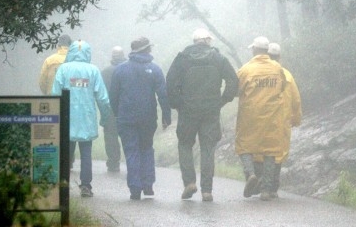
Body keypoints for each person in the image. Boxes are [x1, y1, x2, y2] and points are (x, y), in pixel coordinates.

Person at [166, 28, 238, 202]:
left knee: (184, 144)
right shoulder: (218, 58)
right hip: (211, 110)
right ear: (208, 41)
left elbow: (169, 81)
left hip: (188, 110)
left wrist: (177, 104)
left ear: (194, 42)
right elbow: (233, 80)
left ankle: (189, 183)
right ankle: (207, 190)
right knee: (208, 148)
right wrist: (223, 100)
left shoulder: (182, 58)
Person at [235, 36, 300, 201]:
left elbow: (236, 89)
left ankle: (250, 174)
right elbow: (284, 88)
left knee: (244, 146)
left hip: (250, 116)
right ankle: (266, 190)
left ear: (254, 50)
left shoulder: (246, 69)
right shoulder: (278, 69)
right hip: (273, 116)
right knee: (271, 151)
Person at [109, 36, 171, 200]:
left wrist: (117, 114)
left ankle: (135, 188)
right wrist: (166, 115)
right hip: (148, 118)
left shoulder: (120, 70)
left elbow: (113, 96)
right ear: (148, 50)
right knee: (146, 148)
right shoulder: (155, 69)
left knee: (131, 151)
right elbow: (163, 95)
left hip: (126, 118)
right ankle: (148, 184)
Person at [52, 39, 112, 198]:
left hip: (67, 119)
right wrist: (104, 118)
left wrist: (54, 118)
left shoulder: (63, 69)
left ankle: (63, 186)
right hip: (87, 118)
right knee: (86, 154)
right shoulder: (93, 71)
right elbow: (103, 99)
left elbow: (55, 95)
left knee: (66, 154)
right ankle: (86, 185)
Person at [38, 34, 78, 167]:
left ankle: (54, 158)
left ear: (58, 45)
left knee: (53, 130)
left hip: (52, 101)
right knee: (70, 131)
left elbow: (42, 81)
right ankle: (69, 159)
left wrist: (47, 93)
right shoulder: (75, 61)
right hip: (71, 101)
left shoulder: (50, 60)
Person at [100, 46, 126, 172]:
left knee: (111, 136)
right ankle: (132, 161)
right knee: (128, 136)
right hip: (127, 108)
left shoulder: (105, 72)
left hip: (110, 109)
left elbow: (100, 93)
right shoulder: (129, 70)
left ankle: (114, 162)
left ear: (112, 57)